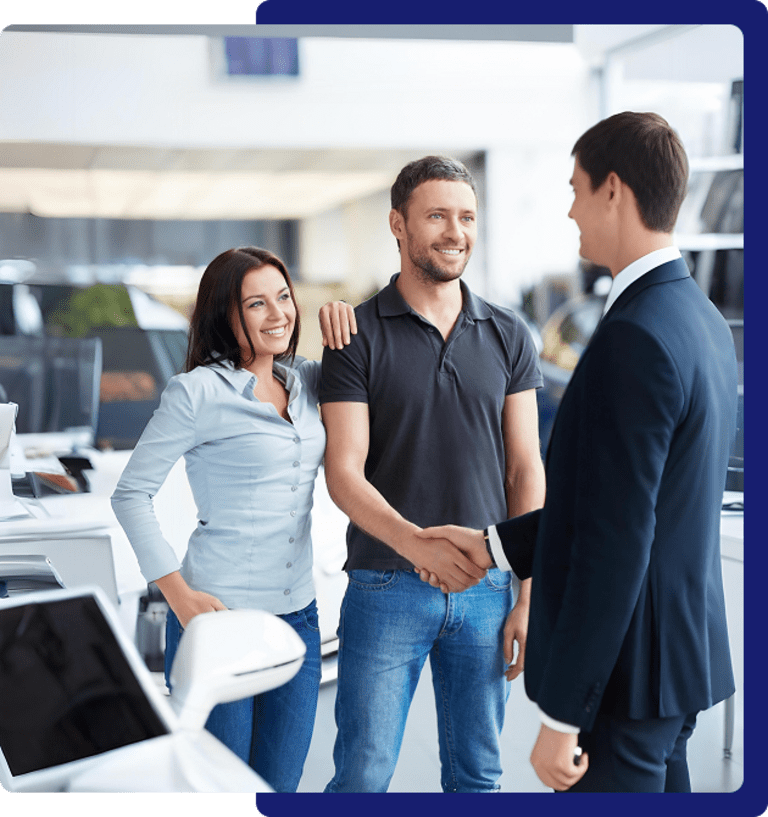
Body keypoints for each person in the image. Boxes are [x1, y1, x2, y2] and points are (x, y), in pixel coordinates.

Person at [418, 112, 739, 793]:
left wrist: (565, 713)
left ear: (614, 190)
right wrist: (491, 546)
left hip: (625, 680)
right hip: (673, 664)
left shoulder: (638, 336)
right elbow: (619, 504)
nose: (569, 209)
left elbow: (616, 537)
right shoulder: (702, 319)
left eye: (577, 189)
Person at [318, 156, 546, 793]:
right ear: (398, 224)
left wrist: (526, 592)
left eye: (467, 217)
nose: (456, 231)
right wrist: (414, 543)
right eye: (437, 215)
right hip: (386, 585)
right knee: (363, 775)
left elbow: (526, 470)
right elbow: (343, 471)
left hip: (487, 588)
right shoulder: (355, 335)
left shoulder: (509, 334)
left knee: (478, 776)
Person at [111, 246, 354, 792]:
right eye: (257, 304)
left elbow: (378, 381)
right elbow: (131, 495)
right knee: (222, 787)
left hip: (299, 616)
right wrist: (178, 594)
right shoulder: (196, 392)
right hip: (219, 616)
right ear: (227, 316)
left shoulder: (308, 383)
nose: (279, 315)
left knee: (280, 790)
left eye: (284, 298)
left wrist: (345, 324)